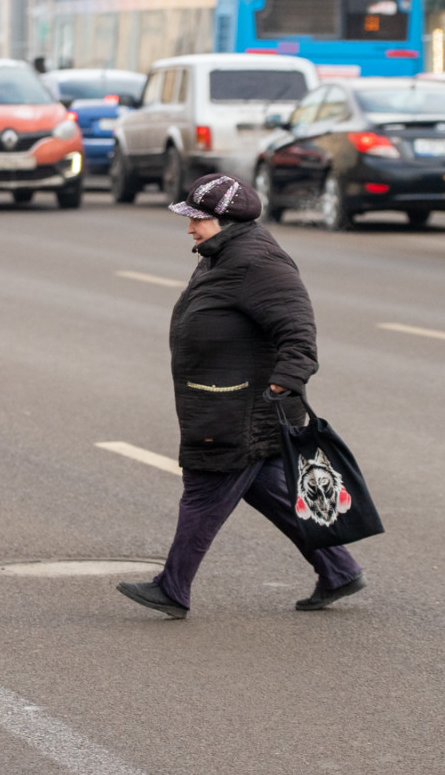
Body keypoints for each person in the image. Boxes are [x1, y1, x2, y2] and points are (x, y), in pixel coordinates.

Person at [118, 174, 365, 619]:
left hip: (241, 407)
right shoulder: (221, 253)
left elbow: (298, 332)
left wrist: (284, 381)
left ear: (227, 220)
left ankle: (172, 588)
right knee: (269, 489)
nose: (190, 228)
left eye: (198, 219)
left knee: (203, 489)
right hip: (226, 400)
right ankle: (339, 569)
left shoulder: (257, 262)